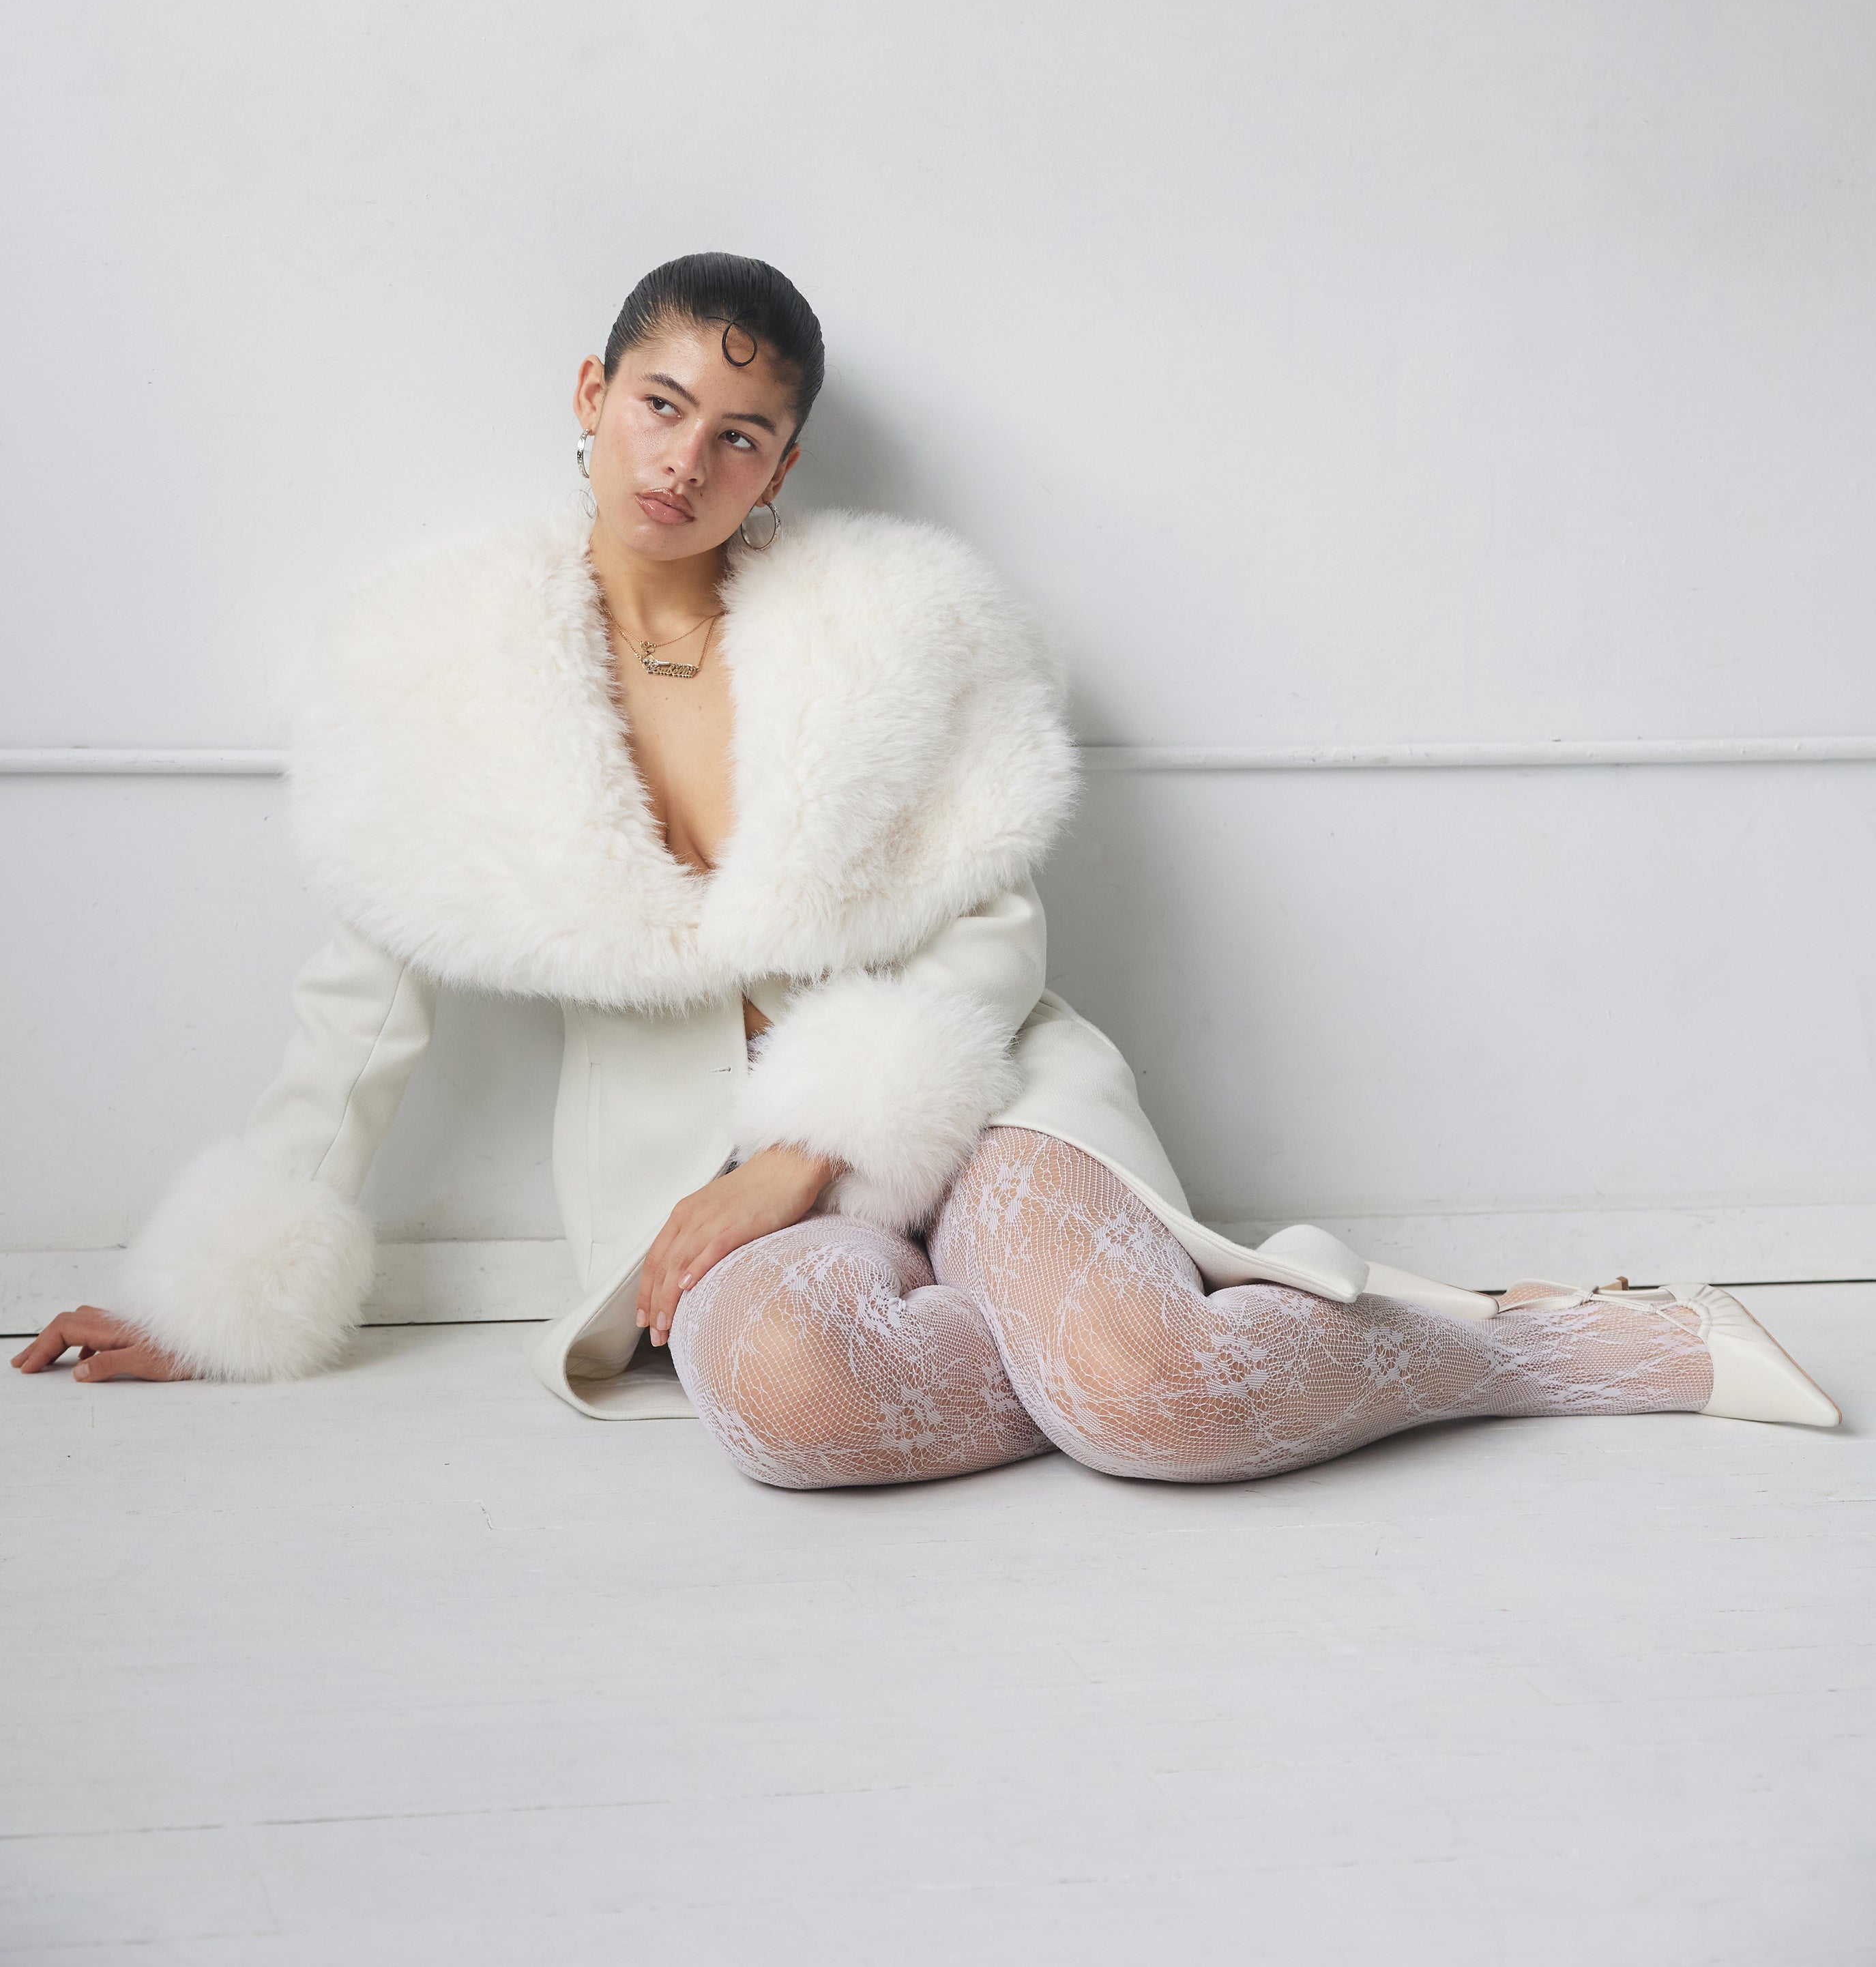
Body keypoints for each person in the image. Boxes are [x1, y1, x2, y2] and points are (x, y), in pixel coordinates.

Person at [14, 253, 1839, 1483]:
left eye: (737, 432)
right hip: (692, 1176)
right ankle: (1182, 1340)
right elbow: (362, 1009)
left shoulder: (890, 633)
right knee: (793, 1408)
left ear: (782, 458)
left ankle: (1557, 1350)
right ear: (589, 391)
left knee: (1144, 1402)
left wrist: (812, 1151)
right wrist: (211, 1302)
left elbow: (988, 941)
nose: (686, 458)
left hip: (977, 1094)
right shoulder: (438, 672)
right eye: (660, 404)